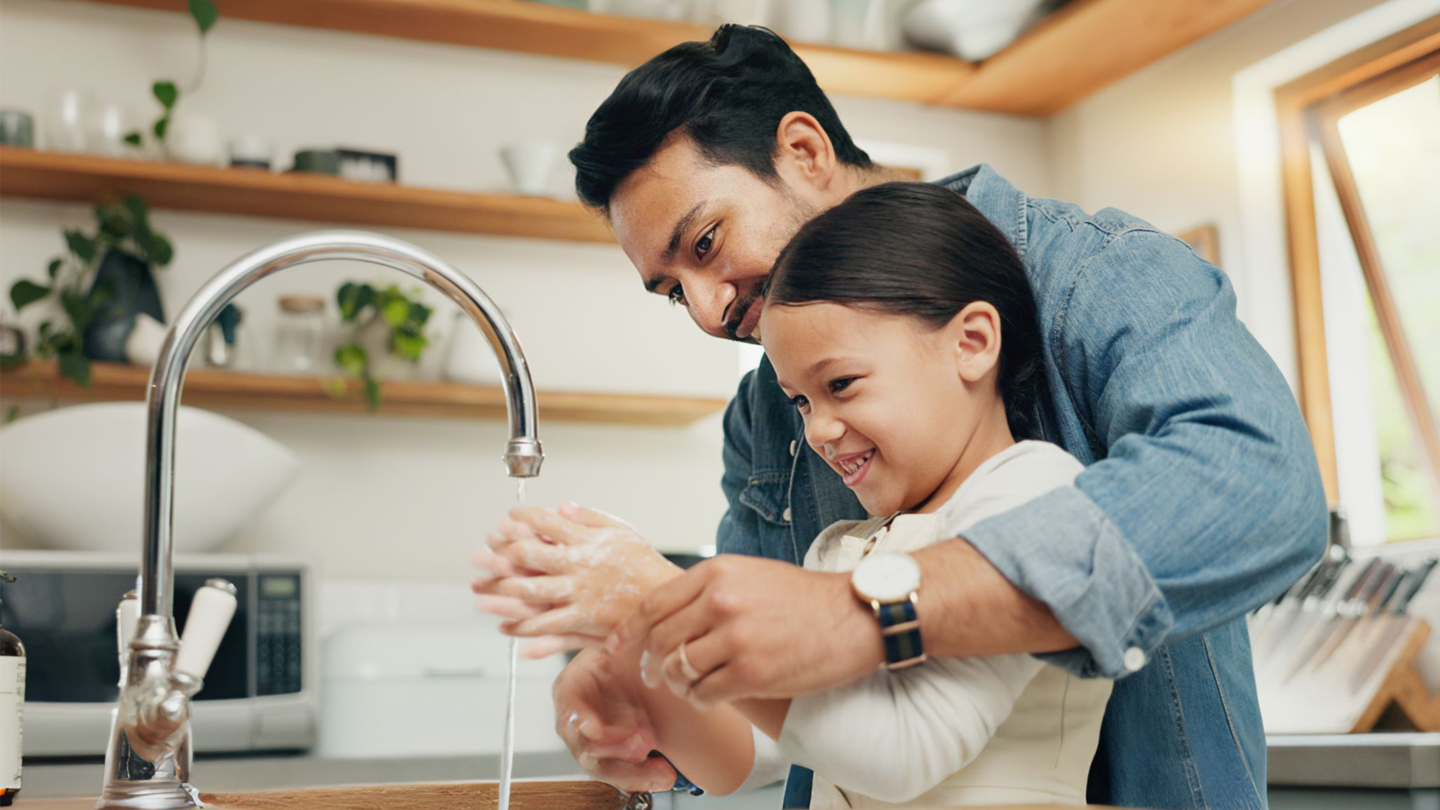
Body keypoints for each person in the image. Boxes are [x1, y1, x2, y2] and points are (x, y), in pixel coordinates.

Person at [473, 24, 1326, 810]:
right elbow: (767, 721)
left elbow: (1261, 487)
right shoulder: (765, 417)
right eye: (670, 292)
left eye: (704, 244)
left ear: (804, 152)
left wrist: (862, 613)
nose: (704, 310)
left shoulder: (1092, 277)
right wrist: (650, 683)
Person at [479, 181, 1115, 807]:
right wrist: (643, 683)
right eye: (801, 402)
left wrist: (653, 599)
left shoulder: (1034, 491)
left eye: (840, 383)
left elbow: (907, 751)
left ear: (971, 343)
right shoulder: (839, 552)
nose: (817, 430)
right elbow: (758, 751)